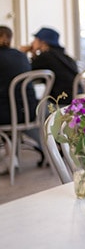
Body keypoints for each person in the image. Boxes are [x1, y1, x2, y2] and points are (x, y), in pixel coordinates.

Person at [0, 26, 44, 167]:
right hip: (29, 112)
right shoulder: (21, 56)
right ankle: (11, 157)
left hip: (6, 116)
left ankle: (10, 157)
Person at [20, 27, 78, 104]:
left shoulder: (46, 56)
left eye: (35, 39)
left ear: (43, 42)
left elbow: (25, 71)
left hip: (59, 102)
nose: (32, 42)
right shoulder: (66, 57)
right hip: (74, 100)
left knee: (31, 105)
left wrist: (22, 53)